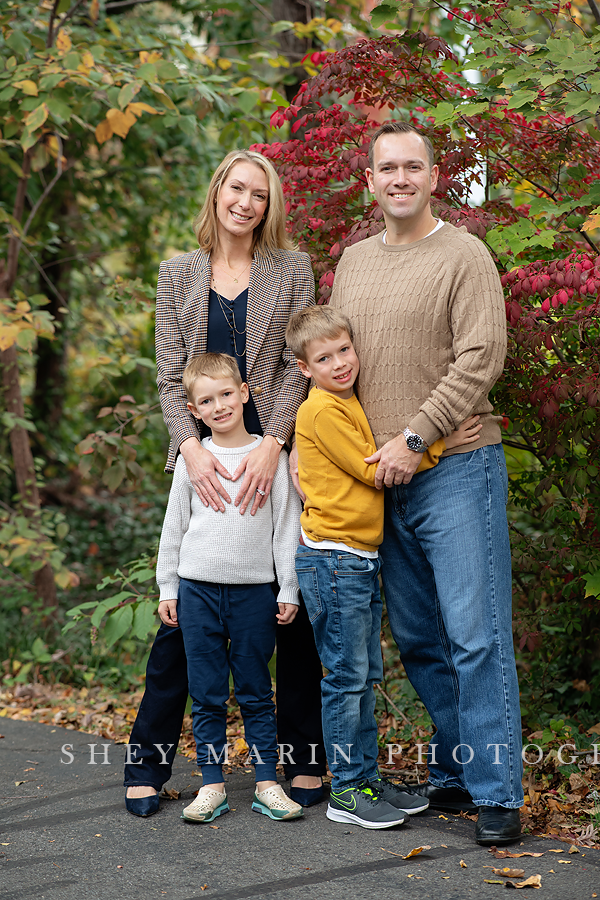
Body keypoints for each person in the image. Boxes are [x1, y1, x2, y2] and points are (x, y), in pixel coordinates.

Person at [329, 121, 524, 846]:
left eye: (414, 166)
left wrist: (419, 436)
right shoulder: (350, 264)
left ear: (435, 177)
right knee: (418, 640)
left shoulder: (464, 254)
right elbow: (337, 365)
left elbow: (482, 355)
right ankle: (456, 772)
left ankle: (498, 791)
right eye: (388, 168)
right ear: (371, 181)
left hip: (456, 472)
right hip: (382, 480)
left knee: (476, 636)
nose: (401, 178)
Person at [124, 150, 326, 818]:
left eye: (259, 195)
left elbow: (299, 367)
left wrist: (276, 442)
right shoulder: (177, 273)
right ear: (217, 193)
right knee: (185, 619)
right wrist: (190, 449)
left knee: (289, 617)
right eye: (237, 189)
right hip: (206, 458)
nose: (246, 202)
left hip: (277, 455)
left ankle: (300, 761)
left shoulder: (291, 269)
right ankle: (147, 762)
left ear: (269, 206)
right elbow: (165, 375)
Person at [286, 305, 481, 829]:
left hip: (357, 558)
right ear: (305, 369)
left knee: (362, 675)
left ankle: (366, 778)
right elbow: (377, 471)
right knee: (346, 678)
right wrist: (442, 443)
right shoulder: (322, 410)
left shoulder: (347, 402)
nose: (340, 363)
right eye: (324, 358)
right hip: (334, 559)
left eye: (344, 350)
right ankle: (347, 791)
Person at [157, 353, 303, 823]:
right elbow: (173, 526)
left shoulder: (271, 457)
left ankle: (267, 783)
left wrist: (289, 589)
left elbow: (286, 526)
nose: (218, 405)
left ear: (244, 393)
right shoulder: (192, 460)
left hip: (254, 593)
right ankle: (212, 785)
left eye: (225, 394)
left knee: (257, 690)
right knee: (207, 693)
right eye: (206, 400)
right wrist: (167, 588)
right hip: (197, 591)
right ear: (194, 411)